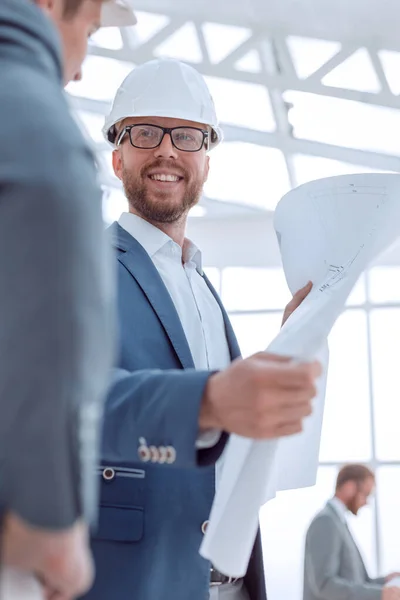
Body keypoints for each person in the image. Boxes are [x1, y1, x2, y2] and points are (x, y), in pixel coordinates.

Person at [80, 58, 322, 600]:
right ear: (117, 158)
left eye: (187, 136)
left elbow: (226, 438)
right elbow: (70, 405)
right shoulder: (79, 266)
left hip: (227, 584)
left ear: (206, 162)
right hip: (139, 579)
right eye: (146, 133)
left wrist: (287, 349)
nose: (167, 150)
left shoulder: (203, 288)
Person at [0, 0, 134, 598]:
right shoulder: (32, 114)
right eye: (91, 29)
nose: (77, 70)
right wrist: (52, 519)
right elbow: (54, 340)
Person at [303, 464, 400, 600]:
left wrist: (384, 582)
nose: (366, 502)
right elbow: (324, 585)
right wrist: (379, 594)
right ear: (349, 487)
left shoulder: (338, 522)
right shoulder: (326, 521)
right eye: (365, 494)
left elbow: (356, 581)